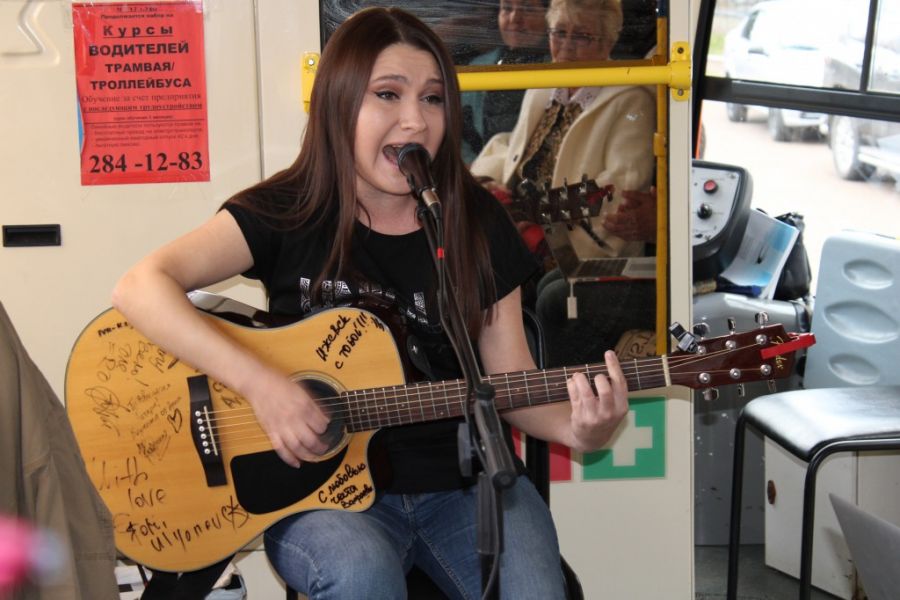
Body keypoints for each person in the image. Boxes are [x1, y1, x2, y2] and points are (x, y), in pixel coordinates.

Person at [111, 7, 629, 599]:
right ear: (339, 103)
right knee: (362, 572)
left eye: (433, 99)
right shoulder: (289, 209)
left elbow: (508, 379)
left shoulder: (476, 221)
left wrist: (582, 430)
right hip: (319, 495)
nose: (415, 120)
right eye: (388, 94)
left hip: (462, 484)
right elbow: (140, 286)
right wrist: (263, 387)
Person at [469, 0, 658, 366]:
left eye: (582, 36)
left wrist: (534, 215)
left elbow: (618, 191)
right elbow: (513, 146)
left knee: (540, 287)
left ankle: (539, 383)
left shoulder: (630, 99)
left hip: (578, 242)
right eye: (559, 33)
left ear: (608, 41)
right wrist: (486, 181)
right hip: (525, 227)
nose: (567, 46)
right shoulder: (545, 87)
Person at [460, 0, 550, 163]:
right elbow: (457, 136)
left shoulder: (560, 70)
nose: (514, 19)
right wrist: (475, 169)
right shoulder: (478, 68)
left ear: (548, 16)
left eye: (527, 9)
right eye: (507, 8)